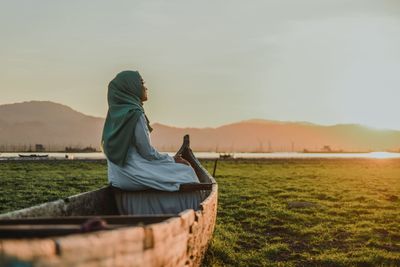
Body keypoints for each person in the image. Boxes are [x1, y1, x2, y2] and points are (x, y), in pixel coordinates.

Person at [101, 70, 200, 192]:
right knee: (187, 171)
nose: (145, 88)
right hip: (134, 175)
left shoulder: (113, 116)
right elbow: (147, 152)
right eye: (142, 83)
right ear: (131, 87)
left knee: (178, 169)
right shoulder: (134, 114)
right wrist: (172, 159)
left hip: (116, 178)